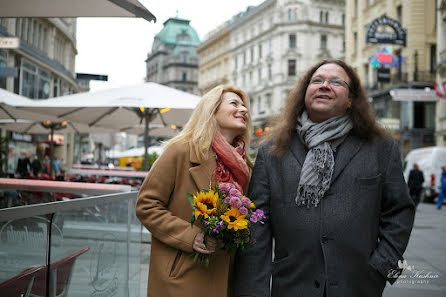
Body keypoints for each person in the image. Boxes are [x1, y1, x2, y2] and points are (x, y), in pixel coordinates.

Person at [234, 60, 415, 297]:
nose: (324, 85)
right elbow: (256, 226)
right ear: (304, 93)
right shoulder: (272, 151)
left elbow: (400, 211)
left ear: (351, 99)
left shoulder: (381, 147)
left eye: (336, 82)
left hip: (360, 285)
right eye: (317, 81)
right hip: (292, 286)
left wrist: (382, 270)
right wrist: (252, 291)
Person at [136, 85, 252, 297]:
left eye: (244, 105)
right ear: (212, 110)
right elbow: (147, 205)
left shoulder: (246, 166)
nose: (244, 109)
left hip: (227, 278)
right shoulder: (181, 150)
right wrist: (191, 237)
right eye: (234, 103)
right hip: (183, 277)